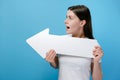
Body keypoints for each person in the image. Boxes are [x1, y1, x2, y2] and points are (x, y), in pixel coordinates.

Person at [45, 5, 103, 80]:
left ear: (82, 23)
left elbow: (97, 79)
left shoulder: (93, 45)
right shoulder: (61, 41)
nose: (65, 21)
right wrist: (52, 61)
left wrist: (96, 61)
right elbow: (57, 66)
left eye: (70, 18)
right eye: (66, 17)